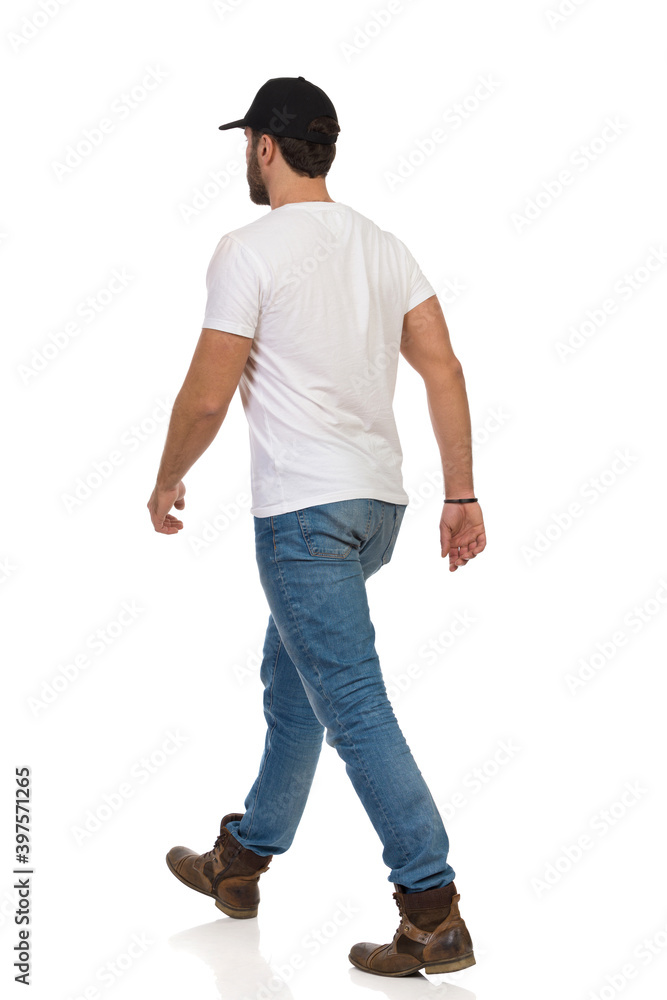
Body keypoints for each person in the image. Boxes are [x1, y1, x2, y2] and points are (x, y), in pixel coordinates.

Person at [147, 76, 486, 978]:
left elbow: (210, 392)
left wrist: (167, 478)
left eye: (246, 145)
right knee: (291, 679)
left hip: (303, 516)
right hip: (378, 511)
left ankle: (431, 908)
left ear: (263, 145)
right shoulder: (385, 247)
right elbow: (442, 368)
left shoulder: (245, 248)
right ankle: (243, 860)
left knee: (352, 704)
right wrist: (461, 495)